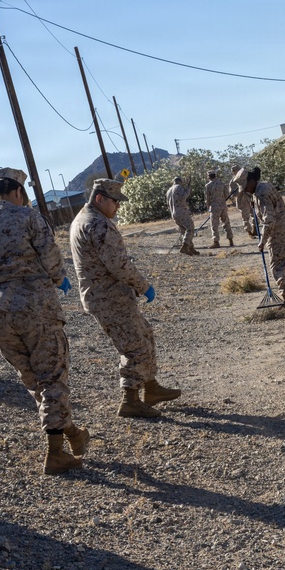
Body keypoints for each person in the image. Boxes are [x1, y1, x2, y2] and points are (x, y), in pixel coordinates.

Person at [0, 167, 89, 475]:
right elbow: (50, 257)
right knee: (52, 377)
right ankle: (56, 453)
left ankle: (71, 432)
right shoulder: (29, 217)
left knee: (35, 379)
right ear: (19, 191)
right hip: (34, 304)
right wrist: (58, 278)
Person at [70, 178, 181, 418]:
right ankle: (129, 400)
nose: (118, 207)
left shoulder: (85, 218)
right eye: (115, 202)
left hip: (110, 297)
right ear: (99, 198)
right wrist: (144, 286)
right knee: (135, 348)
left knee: (145, 334)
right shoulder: (96, 224)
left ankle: (150, 389)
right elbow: (119, 265)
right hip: (109, 298)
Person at [239, 166, 285, 309]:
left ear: (251, 181)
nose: (245, 190)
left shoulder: (261, 193)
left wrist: (262, 241)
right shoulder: (264, 186)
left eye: (245, 186)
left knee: (278, 266)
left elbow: (269, 220)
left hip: (277, 232)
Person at [166, 176, 197, 255]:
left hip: (174, 213)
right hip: (181, 212)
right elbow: (184, 197)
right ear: (180, 181)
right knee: (190, 228)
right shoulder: (178, 187)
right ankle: (184, 247)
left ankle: (190, 248)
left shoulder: (169, 191)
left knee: (184, 230)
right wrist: (188, 189)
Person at [203, 170, 233, 249]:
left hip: (214, 207)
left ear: (209, 177)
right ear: (215, 176)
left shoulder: (208, 186)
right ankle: (230, 240)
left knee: (214, 225)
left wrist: (208, 206)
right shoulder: (222, 184)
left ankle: (216, 242)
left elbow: (207, 198)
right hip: (223, 206)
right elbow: (227, 195)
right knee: (226, 223)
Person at [229, 164, 256, 238]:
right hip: (242, 200)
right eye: (235, 171)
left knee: (254, 214)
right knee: (245, 217)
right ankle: (249, 232)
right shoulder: (233, 181)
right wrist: (239, 191)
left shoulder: (246, 178)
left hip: (250, 198)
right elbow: (232, 194)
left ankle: (255, 229)